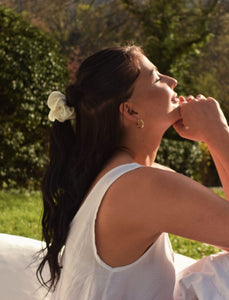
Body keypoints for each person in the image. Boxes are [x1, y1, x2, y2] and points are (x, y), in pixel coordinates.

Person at [37, 45, 229, 299]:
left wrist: (213, 137)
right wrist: (218, 131)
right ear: (130, 110)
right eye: (157, 78)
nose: (173, 81)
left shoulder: (125, 175)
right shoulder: (140, 185)